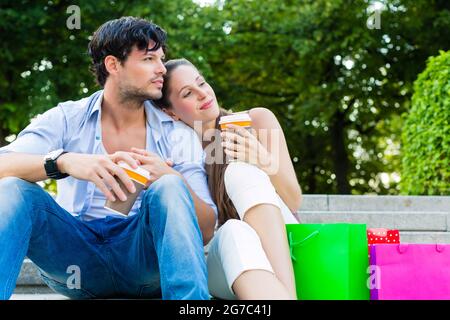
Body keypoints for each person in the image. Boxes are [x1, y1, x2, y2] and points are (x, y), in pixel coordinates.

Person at [0, 17, 218, 300]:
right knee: (11, 188)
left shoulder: (176, 134)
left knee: (170, 186)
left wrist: (170, 177)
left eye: (161, 59)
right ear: (113, 65)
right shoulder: (67, 117)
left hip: (143, 263)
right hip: (75, 262)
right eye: (149, 58)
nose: (162, 69)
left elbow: (205, 230)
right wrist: (64, 161)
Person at [154, 58, 302, 300]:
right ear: (170, 111)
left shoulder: (257, 120)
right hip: (231, 263)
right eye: (188, 93)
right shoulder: (177, 151)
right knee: (234, 230)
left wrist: (262, 160)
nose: (202, 94)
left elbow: (294, 201)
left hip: (286, 248)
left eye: (201, 82)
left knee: (239, 172)